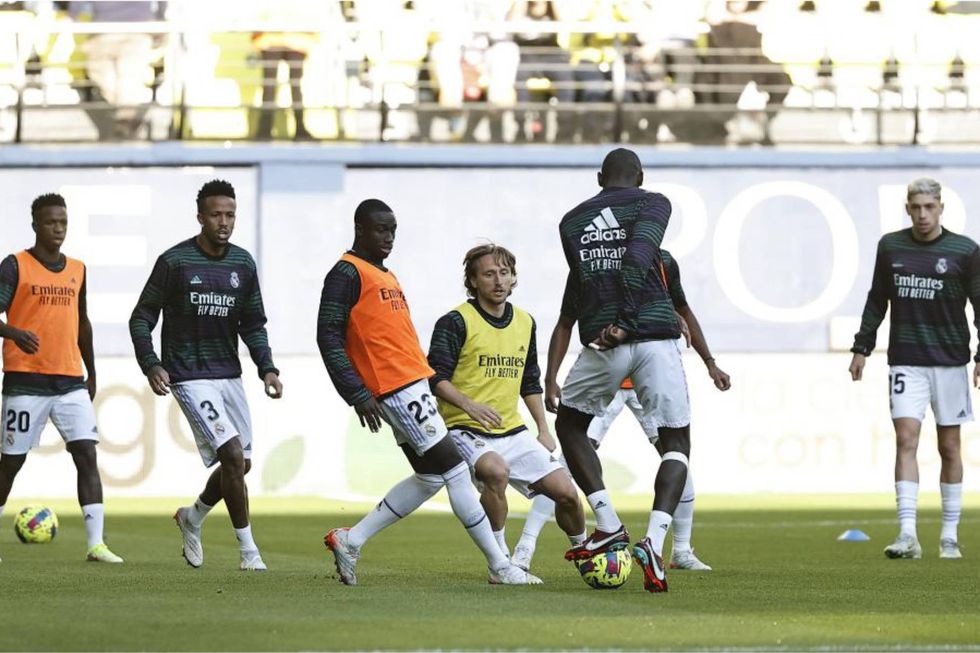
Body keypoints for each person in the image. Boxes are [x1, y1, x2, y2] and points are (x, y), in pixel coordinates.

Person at [318, 199, 540, 586]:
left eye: (392, 230)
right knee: (455, 470)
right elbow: (328, 336)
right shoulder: (346, 273)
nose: (387, 237)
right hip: (394, 388)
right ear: (359, 229)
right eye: (379, 230)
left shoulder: (383, 273)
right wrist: (355, 391)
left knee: (430, 477)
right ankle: (500, 565)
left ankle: (351, 540)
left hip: (410, 384)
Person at [514, 248, 730, 573]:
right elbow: (566, 322)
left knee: (677, 459)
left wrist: (710, 362)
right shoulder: (592, 262)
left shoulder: (662, 261)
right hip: (607, 381)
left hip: (648, 383)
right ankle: (525, 547)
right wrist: (551, 376)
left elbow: (682, 309)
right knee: (567, 465)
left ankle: (682, 550)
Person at [548, 147, 689, 593]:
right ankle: (655, 541)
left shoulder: (571, 221)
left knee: (570, 426)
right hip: (652, 337)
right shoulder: (654, 203)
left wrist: (606, 328)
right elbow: (638, 259)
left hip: (602, 344)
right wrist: (627, 322)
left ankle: (607, 522)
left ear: (598, 178)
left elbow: (585, 283)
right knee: (676, 442)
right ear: (641, 176)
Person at [129, 179, 282, 571]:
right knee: (231, 454)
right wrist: (151, 363)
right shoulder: (175, 262)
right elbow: (142, 317)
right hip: (188, 374)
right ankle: (249, 552)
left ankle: (192, 516)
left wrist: (266, 367)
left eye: (230, 214)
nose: (224, 222)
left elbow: (253, 324)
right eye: (216, 214)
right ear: (200, 217)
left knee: (240, 465)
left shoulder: (243, 264)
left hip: (228, 374)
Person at [427, 243, 586, 569]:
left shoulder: (525, 322)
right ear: (472, 281)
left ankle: (586, 554)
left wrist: (543, 429)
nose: (498, 281)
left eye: (504, 273)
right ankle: (500, 562)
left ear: (513, 278)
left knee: (567, 494)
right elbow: (434, 378)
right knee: (495, 471)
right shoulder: (455, 321)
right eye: (488, 274)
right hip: (465, 428)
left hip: (512, 430)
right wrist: (468, 405)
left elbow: (530, 380)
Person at [849, 177, 978, 561]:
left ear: (941, 208)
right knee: (906, 440)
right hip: (906, 359)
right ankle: (907, 535)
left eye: (929, 207)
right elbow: (877, 299)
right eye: (916, 207)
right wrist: (862, 347)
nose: (923, 214)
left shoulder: (965, 251)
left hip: (951, 360)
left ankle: (949, 536)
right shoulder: (890, 246)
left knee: (949, 445)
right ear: (907, 208)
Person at [0, 193, 123, 564]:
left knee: (86, 453)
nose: (58, 229)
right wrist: (13, 333)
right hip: (26, 380)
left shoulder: (78, 269)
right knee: (10, 463)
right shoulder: (15, 265)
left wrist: (92, 370)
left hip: (70, 379)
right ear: (36, 224)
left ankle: (96, 544)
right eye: (51, 222)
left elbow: (81, 322)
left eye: (63, 223)